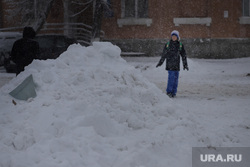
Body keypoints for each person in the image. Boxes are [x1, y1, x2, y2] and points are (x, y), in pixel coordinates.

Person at [156, 30, 188, 98]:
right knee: (171, 78)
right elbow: (164, 54)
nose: (173, 37)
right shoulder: (168, 44)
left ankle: (174, 92)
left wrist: (185, 64)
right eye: (172, 36)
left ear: (177, 37)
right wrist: (160, 62)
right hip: (170, 64)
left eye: (175, 36)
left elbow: (183, 55)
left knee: (176, 80)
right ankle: (169, 92)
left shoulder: (180, 45)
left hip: (176, 65)